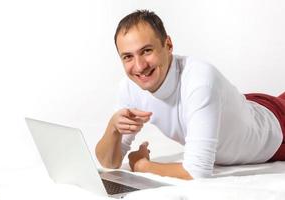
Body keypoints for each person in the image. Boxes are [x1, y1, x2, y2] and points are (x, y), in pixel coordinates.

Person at [95, 9, 285, 180]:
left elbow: (197, 172)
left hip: (276, 130)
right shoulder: (130, 87)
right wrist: (113, 127)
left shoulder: (200, 81)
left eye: (146, 51)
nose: (139, 66)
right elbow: (109, 162)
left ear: (168, 45)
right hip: (239, 108)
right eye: (128, 56)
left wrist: (143, 166)